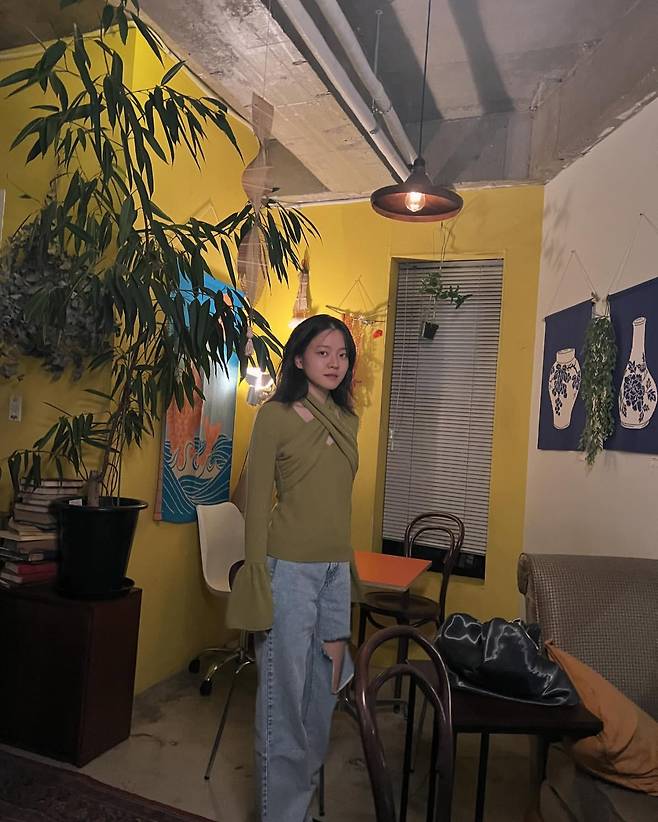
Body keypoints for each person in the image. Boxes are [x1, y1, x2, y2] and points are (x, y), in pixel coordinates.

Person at [226, 314, 361, 822]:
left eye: (342, 354)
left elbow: (338, 505)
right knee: (282, 701)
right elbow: (256, 503)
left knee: (324, 695)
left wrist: (346, 573)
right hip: (287, 572)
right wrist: (256, 579)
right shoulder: (275, 416)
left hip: (334, 573)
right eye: (323, 352)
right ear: (299, 358)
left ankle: (300, 804)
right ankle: (281, 815)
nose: (334, 363)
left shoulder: (347, 419)